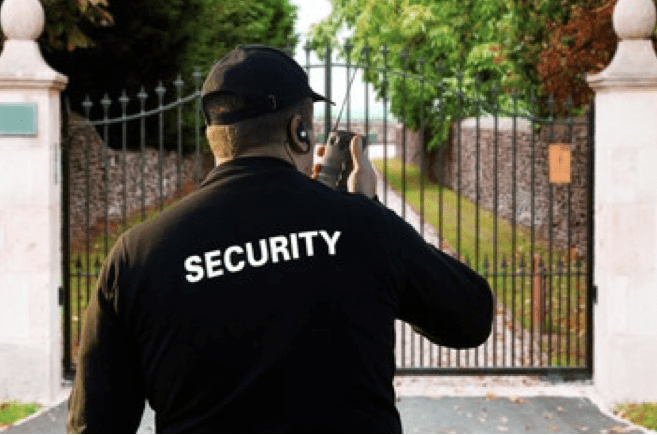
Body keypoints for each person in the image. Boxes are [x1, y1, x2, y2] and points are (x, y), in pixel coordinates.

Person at [66, 45, 494, 434]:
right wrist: (369, 210)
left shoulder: (138, 256)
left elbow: (94, 425)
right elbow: (471, 316)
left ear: (214, 138)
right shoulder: (365, 226)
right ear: (299, 132)